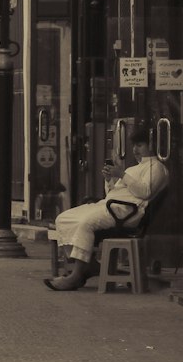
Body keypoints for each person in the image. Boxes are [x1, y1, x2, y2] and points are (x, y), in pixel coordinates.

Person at [44, 123, 169, 291]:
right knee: (63, 218)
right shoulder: (134, 168)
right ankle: (89, 265)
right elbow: (112, 192)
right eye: (134, 145)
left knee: (85, 223)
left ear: (151, 145)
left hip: (126, 213)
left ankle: (76, 276)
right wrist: (110, 179)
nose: (135, 149)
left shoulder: (157, 168)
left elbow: (145, 192)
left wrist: (122, 174)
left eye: (140, 145)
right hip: (111, 206)